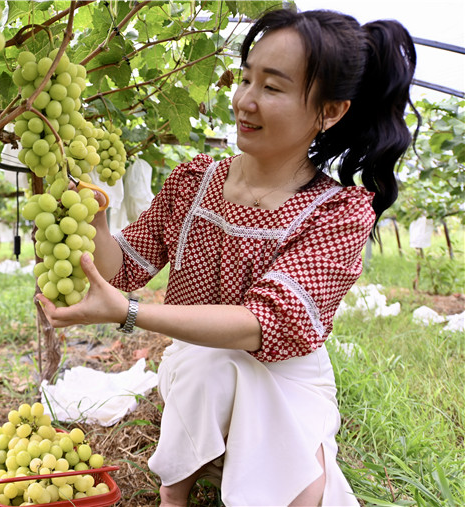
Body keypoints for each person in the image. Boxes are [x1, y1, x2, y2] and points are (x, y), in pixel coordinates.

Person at [36, 7, 417, 507]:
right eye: (244, 79)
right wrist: (98, 222)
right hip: (196, 371)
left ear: (331, 111)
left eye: (272, 87)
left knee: (307, 496)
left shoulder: (339, 212)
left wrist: (130, 312)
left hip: (287, 375)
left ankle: (221, 463)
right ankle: (177, 487)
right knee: (209, 366)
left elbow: (265, 324)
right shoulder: (195, 181)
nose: (244, 101)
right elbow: (122, 269)